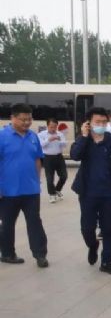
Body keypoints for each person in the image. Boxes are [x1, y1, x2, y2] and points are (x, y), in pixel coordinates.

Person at [70, 107, 111, 275]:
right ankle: (93, 245)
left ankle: (106, 261)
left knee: (109, 229)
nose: (101, 125)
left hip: (109, 194)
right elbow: (75, 155)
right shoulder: (84, 141)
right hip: (88, 193)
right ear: (89, 123)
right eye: (97, 122)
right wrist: (84, 136)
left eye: (104, 122)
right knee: (87, 228)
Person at [0, 104, 49, 268]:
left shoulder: (33, 136)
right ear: (12, 118)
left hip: (31, 190)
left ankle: (40, 255)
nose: (27, 122)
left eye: (29, 119)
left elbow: (37, 159)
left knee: (35, 222)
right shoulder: (2, 136)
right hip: (7, 191)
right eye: (23, 119)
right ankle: (7, 254)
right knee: (7, 224)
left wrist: (37, 180)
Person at [38, 118, 68, 203]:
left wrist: (60, 141)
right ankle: (52, 194)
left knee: (64, 176)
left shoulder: (60, 134)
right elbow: (40, 145)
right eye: (51, 127)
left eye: (55, 127)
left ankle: (57, 189)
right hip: (47, 157)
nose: (53, 129)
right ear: (47, 126)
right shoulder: (41, 134)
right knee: (50, 178)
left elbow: (64, 145)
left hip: (59, 157)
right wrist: (49, 139)